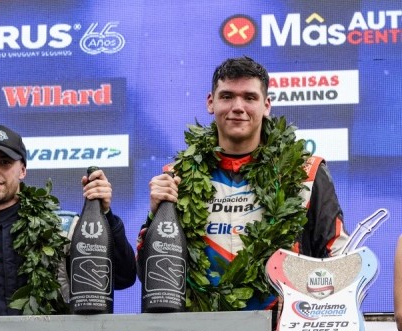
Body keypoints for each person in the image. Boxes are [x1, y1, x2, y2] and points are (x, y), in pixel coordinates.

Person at [138, 56, 349, 314]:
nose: (238, 107)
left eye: (249, 98)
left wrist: (305, 294)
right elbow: (148, 274)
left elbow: (337, 259)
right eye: (227, 96)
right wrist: (155, 213)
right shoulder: (176, 177)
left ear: (266, 105)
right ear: (210, 102)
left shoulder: (306, 172)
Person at [0, 124, 136, 316]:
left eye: (4, 162)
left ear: (22, 170)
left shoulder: (62, 229)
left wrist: (105, 215)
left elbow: (122, 278)